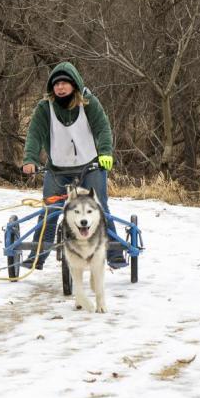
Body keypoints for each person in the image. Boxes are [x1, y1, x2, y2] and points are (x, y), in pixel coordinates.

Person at [21, 61, 126, 269]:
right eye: (56, 84)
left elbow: (103, 129)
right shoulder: (45, 108)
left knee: (100, 207)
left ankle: (114, 253)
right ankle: (37, 256)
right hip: (57, 170)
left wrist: (105, 153)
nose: (60, 88)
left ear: (74, 85)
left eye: (64, 83)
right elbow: (34, 134)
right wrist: (29, 159)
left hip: (90, 167)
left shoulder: (88, 102)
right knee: (49, 212)